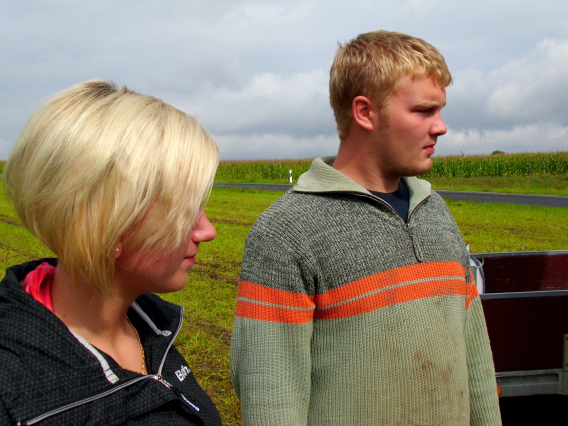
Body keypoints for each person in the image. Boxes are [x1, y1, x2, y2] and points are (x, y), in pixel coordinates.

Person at [231, 31, 501, 425]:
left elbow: (475, 356)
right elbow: (271, 401)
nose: (441, 127)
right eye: (424, 111)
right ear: (364, 112)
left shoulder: (436, 212)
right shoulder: (285, 233)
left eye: (440, 110)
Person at [1, 80, 223, 425]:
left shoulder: (149, 325)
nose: (207, 231)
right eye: (184, 210)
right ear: (108, 222)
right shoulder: (16, 394)